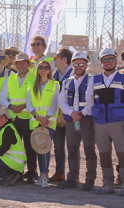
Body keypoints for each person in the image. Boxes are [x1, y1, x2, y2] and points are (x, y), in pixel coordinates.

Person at [85, 48, 124, 195]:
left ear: (115, 60)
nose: (108, 62)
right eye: (105, 60)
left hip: (119, 122)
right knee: (104, 154)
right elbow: (89, 101)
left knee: (122, 153)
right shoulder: (94, 80)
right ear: (101, 62)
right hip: (100, 123)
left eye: (111, 59)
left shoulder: (122, 78)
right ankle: (107, 183)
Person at [57, 51, 97, 191]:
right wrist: (71, 113)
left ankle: (90, 179)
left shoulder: (92, 80)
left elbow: (93, 101)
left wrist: (82, 113)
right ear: (72, 64)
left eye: (81, 64)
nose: (79, 66)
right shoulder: (67, 82)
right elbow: (61, 101)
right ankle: (72, 178)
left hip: (86, 120)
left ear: (86, 64)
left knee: (89, 150)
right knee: (72, 150)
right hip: (71, 120)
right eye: (76, 64)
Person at [0, 53, 37, 183]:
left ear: (28, 64)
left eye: (24, 62)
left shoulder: (34, 77)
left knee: (30, 147)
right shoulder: (10, 79)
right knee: (14, 147)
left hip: (28, 117)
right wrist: (10, 106)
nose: (21, 65)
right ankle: (16, 171)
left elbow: (37, 97)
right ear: (16, 65)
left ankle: (32, 173)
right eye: (19, 63)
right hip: (13, 117)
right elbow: (2, 97)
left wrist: (24, 106)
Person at [26, 59, 59, 188]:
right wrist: (37, 117)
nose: (43, 70)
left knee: (44, 149)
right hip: (35, 122)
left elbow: (55, 103)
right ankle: (39, 174)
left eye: (46, 67)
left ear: (50, 70)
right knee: (37, 148)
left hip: (49, 123)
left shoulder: (54, 84)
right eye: (41, 68)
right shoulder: (32, 85)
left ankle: (44, 175)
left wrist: (46, 119)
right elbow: (29, 104)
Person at [49, 48, 74, 182]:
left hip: (72, 117)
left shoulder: (75, 74)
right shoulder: (54, 76)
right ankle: (60, 173)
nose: (54, 59)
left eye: (56, 56)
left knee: (73, 145)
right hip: (57, 118)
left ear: (64, 59)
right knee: (58, 145)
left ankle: (74, 175)